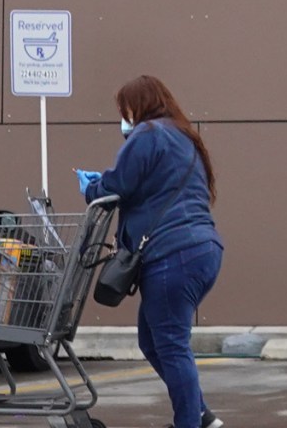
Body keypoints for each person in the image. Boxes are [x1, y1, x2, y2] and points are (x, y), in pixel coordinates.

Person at [80, 76, 224, 428]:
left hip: (172, 255)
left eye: (123, 109)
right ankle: (200, 415)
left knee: (171, 345)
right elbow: (150, 186)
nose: (123, 118)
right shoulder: (183, 136)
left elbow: (116, 185)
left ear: (137, 106)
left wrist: (91, 186)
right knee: (152, 339)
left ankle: (191, 422)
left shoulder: (147, 135)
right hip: (202, 249)